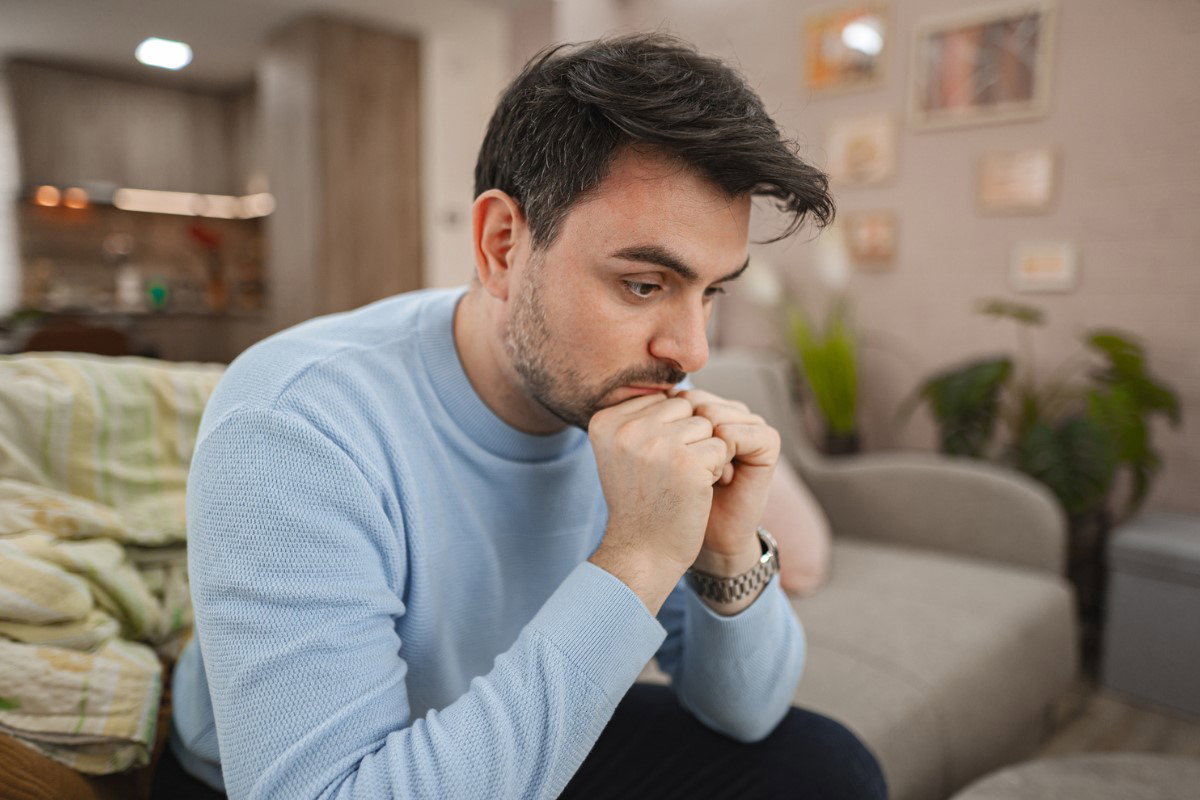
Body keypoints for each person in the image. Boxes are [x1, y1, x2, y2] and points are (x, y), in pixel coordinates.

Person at [155, 32, 887, 800]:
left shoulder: (628, 408)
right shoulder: (295, 419)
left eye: (710, 291)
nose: (691, 350)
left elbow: (748, 713)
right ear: (502, 244)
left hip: (499, 718)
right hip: (306, 776)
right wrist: (633, 559)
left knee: (823, 769)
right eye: (643, 284)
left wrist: (729, 548)